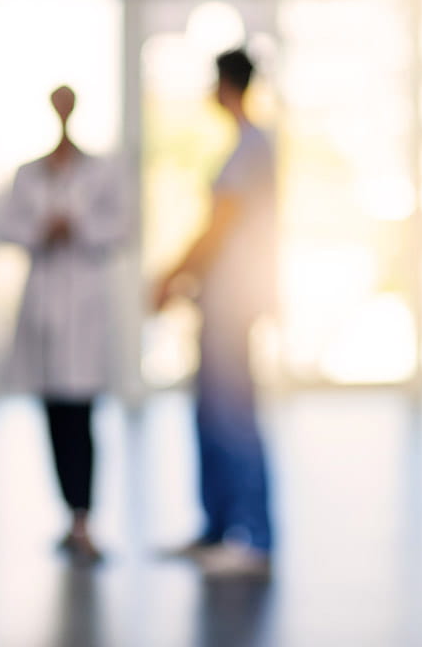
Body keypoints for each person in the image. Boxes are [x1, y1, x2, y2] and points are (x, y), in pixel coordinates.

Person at [0, 86, 129, 564]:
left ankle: (84, 517)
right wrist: (40, 230)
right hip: (45, 308)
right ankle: (70, 515)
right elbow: (5, 226)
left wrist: (80, 226)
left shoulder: (102, 169)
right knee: (54, 417)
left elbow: (124, 225)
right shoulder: (30, 172)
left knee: (82, 418)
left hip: (84, 305)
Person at [153, 49, 277, 578]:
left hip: (234, 299)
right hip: (220, 298)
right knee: (211, 414)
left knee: (233, 417)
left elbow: (219, 225)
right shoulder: (244, 145)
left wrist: (169, 276)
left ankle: (253, 536)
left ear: (226, 85)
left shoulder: (252, 146)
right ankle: (218, 527)